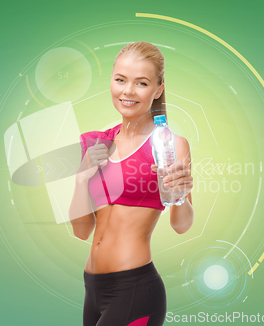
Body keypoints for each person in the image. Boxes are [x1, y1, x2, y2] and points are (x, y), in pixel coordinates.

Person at [69, 41, 194, 326]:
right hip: (92, 290)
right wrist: (80, 179)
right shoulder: (96, 142)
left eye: (141, 83)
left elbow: (181, 225)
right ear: (111, 80)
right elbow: (81, 231)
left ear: (158, 89)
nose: (128, 91)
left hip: (136, 289)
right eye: (120, 80)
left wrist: (179, 196)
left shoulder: (170, 146)